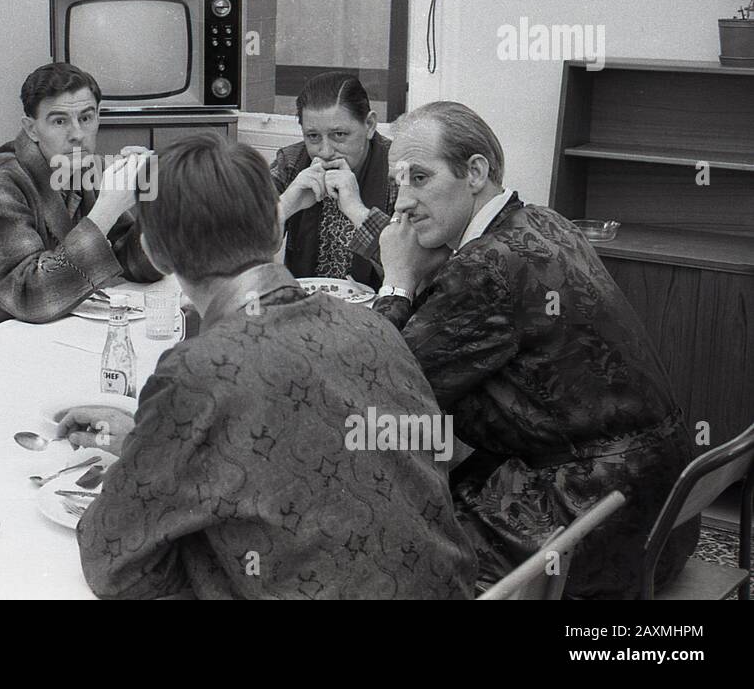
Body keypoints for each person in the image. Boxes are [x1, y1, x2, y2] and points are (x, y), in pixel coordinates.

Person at [62, 135, 477, 599]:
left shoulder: (197, 371)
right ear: (276, 231)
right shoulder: (373, 326)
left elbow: (112, 562)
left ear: (156, 255)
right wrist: (152, 444)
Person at [369, 101, 699, 598]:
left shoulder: (484, 267)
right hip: (664, 510)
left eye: (420, 178)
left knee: (388, 541)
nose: (401, 203)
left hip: (592, 528)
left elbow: (378, 384)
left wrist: (397, 281)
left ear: (475, 172)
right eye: (399, 183)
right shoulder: (542, 222)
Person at [0, 62, 160, 344]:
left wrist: (150, 201)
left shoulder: (79, 167)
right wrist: (107, 210)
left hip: (43, 335)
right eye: (60, 121)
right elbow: (32, 296)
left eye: (86, 118)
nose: (77, 134)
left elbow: (134, 264)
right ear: (32, 129)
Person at [271, 73, 397, 289]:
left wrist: (358, 211)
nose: (326, 151)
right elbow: (236, 251)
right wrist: (287, 205)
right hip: (306, 308)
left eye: (339, 134)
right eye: (313, 136)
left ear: (369, 125)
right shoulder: (290, 163)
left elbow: (414, 266)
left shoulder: (396, 168)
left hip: (377, 313)